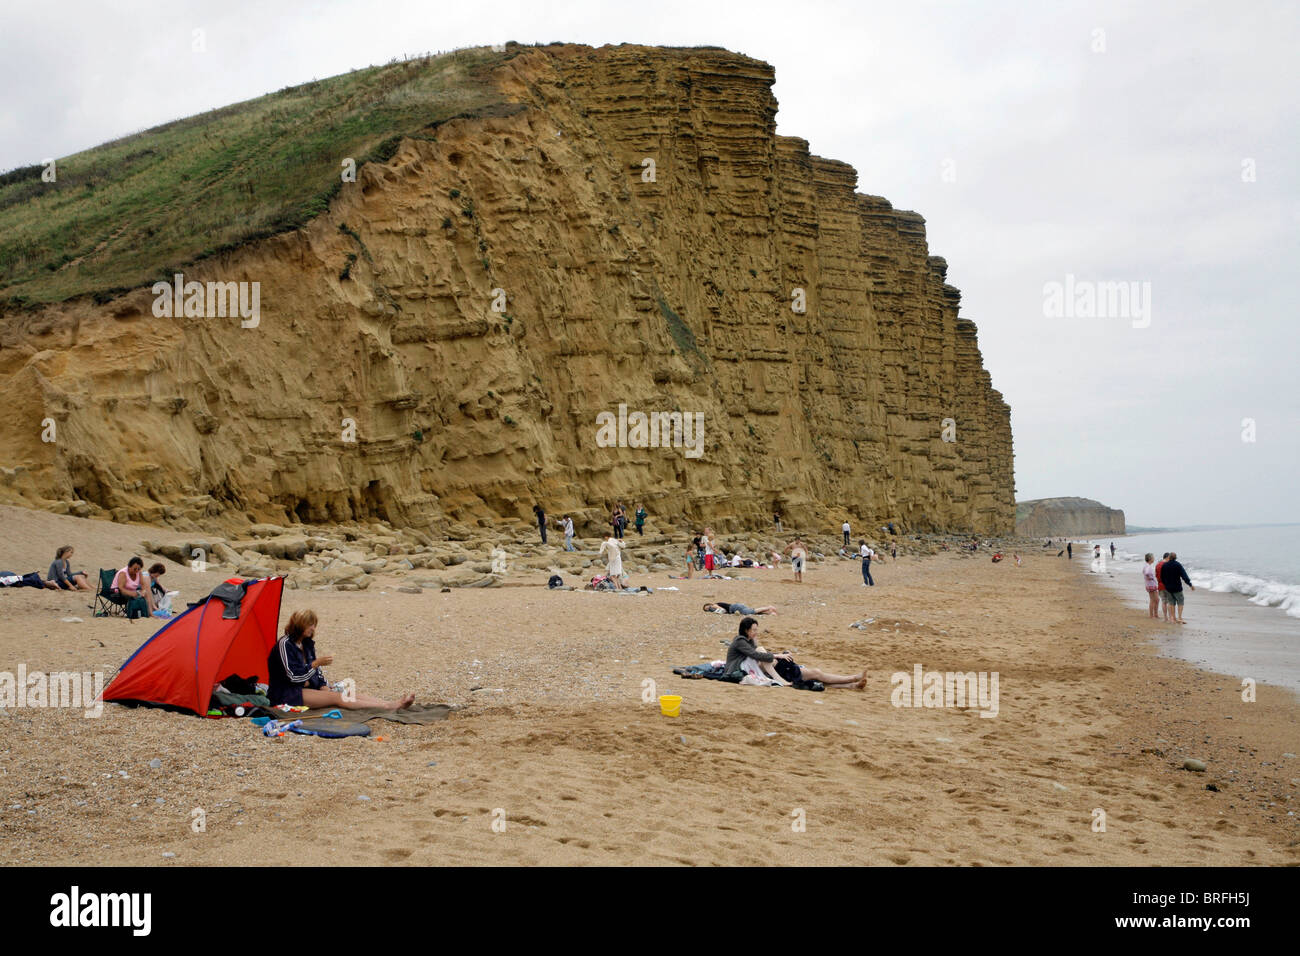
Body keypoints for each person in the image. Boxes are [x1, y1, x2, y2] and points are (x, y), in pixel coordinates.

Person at [268, 609, 414, 710]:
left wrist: (323, 684)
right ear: (299, 624)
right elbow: (293, 676)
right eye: (309, 624)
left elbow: (316, 672)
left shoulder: (306, 643)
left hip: (305, 687)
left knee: (346, 692)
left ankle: (389, 703)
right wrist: (315, 664)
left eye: (314, 625)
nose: (313, 628)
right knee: (338, 698)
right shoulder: (285, 644)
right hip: (287, 693)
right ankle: (387, 708)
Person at [725, 617, 866, 689]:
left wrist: (777, 655)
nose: (756, 632)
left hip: (772, 669)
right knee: (815, 674)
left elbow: (762, 657)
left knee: (813, 677)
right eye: (753, 630)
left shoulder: (750, 642)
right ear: (745, 630)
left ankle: (851, 684)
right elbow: (758, 655)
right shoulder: (740, 641)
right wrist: (777, 656)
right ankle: (853, 678)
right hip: (769, 672)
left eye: (757, 629)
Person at [1160, 551, 1194, 624]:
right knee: (1180, 602)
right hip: (1177, 588)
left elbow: (1162, 577)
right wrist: (1190, 584)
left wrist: (1166, 585)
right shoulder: (1178, 565)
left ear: (1169, 557)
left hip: (1168, 588)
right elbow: (1184, 576)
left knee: (1171, 603)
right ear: (1175, 558)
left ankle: (1173, 618)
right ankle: (1179, 617)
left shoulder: (1164, 565)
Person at [1142, 553, 1160, 618]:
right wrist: (1150, 577)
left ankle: (1153, 614)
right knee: (1156, 600)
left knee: (1153, 600)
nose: (1154, 559)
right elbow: (1147, 573)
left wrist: (1149, 577)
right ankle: (1153, 615)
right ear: (1150, 559)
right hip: (1151, 585)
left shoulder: (1146, 565)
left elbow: (1145, 572)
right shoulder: (1148, 566)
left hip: (1148, 585)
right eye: (1153, 557)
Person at [1155, 552, 1171, 621]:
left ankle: (1165, 617)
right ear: (1167, 557)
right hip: (1167, 585)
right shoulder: (1167, 565)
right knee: (1170, 602)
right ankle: (1171, 617)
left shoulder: (1158, 565)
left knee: (1164, 602)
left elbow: (1156, 575)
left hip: (1160, 585)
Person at [703, 602, 777, 615]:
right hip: (736, 607)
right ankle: (770, 612)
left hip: (735, 608)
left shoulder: (714, 605)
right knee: (753, 613)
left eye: (708, 607)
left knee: (751, 611)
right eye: (707, 610)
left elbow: (723, 610)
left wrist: (715, 611)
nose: (709, 609)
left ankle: (768, 607)